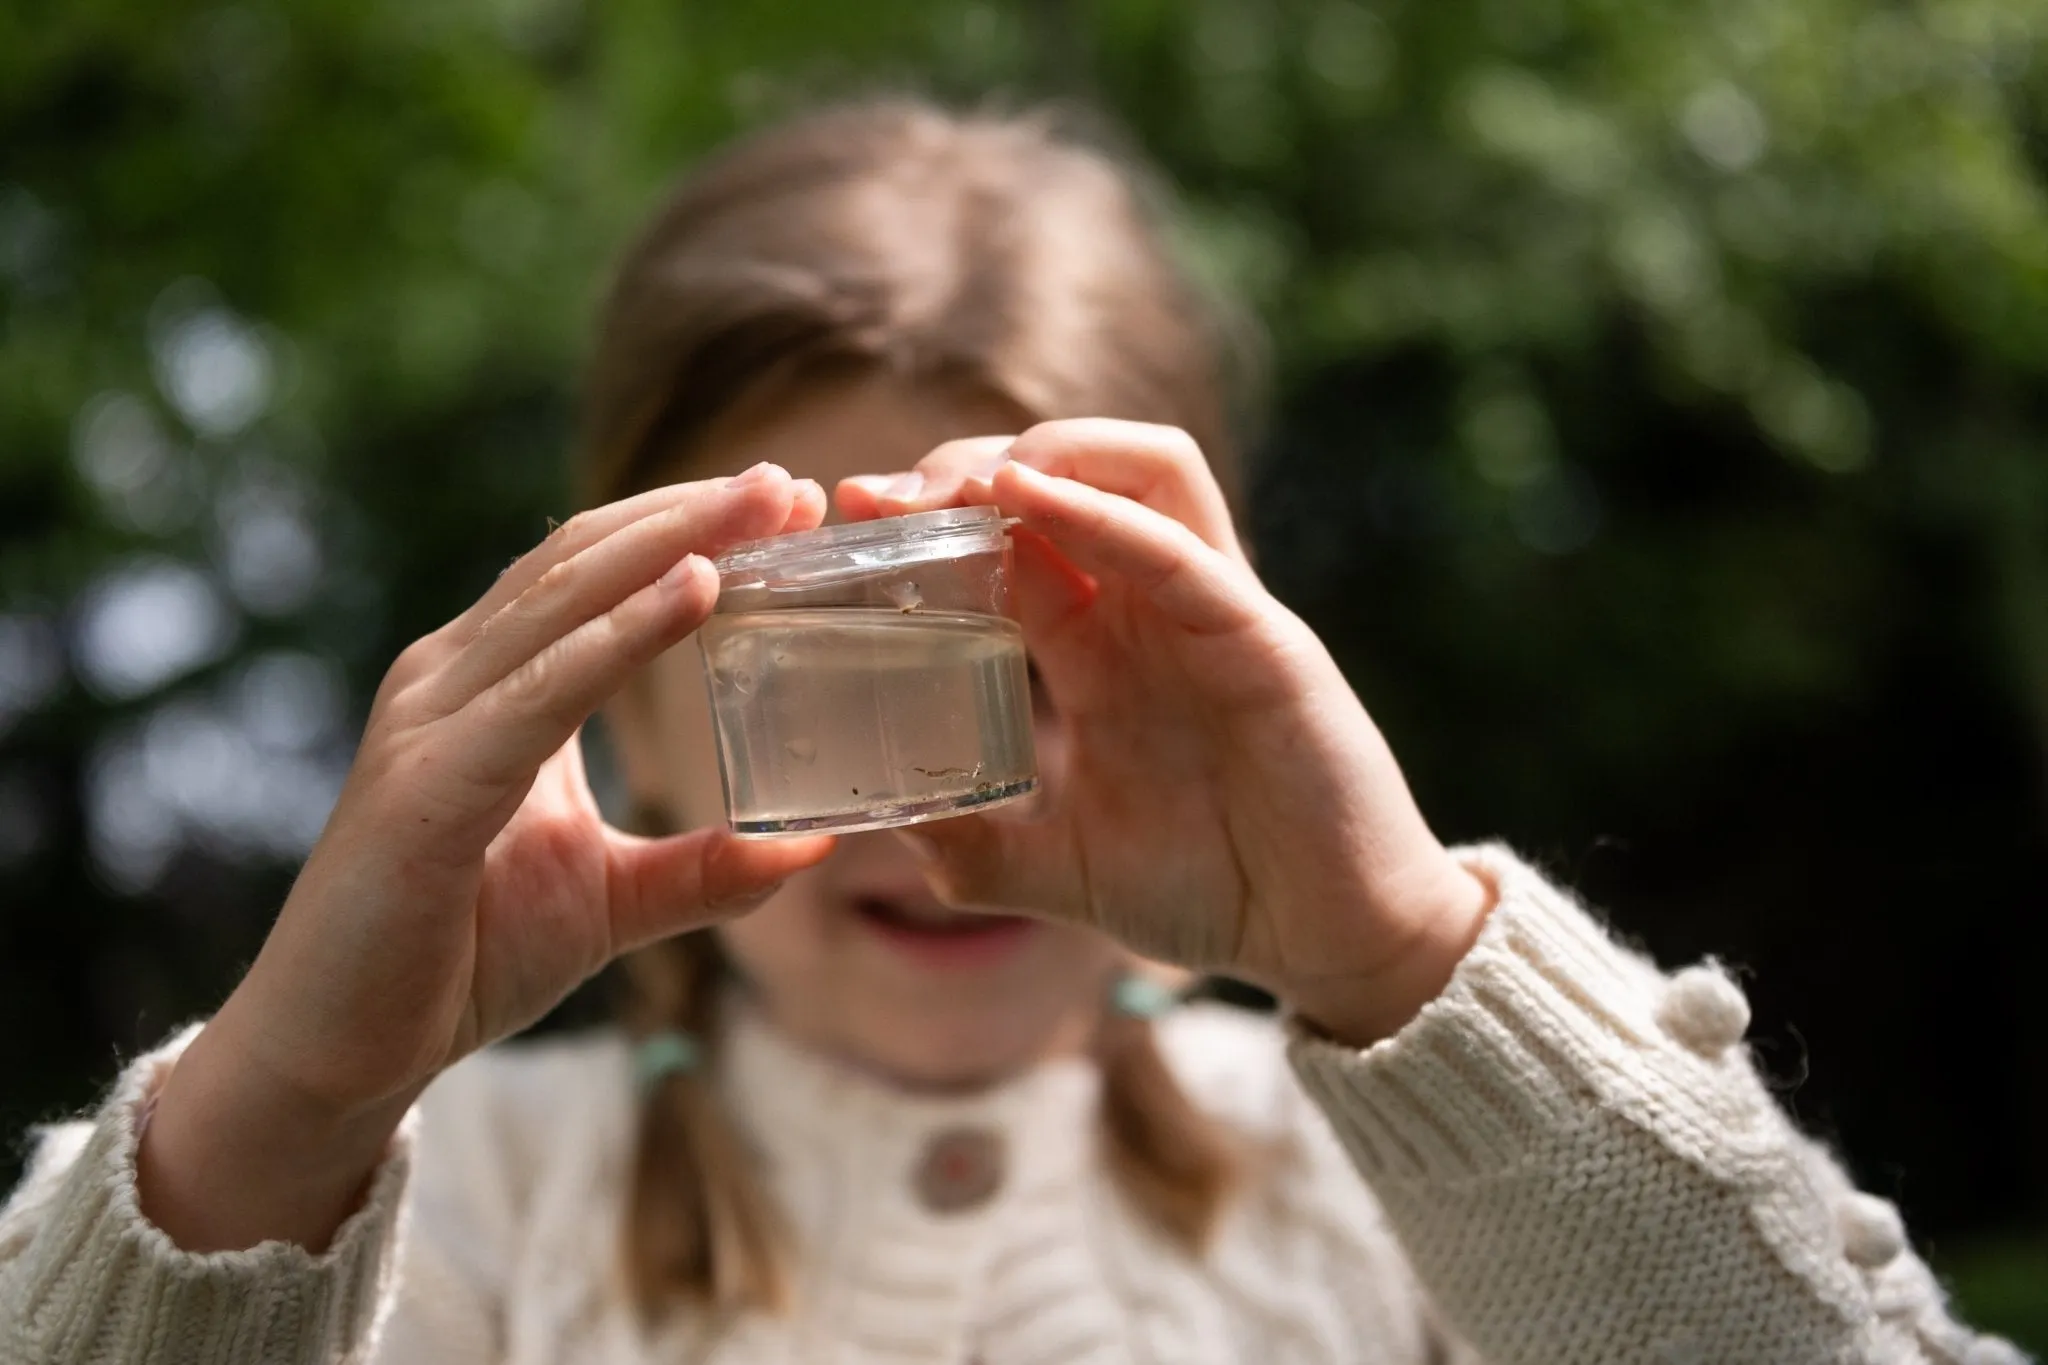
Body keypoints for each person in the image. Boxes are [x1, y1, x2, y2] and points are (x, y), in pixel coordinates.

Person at [0, 98, 2025, 1365]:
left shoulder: (1403, 1213)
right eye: (799, 663)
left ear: (1225, 659)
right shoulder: (445, 1220)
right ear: (609, 672)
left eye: (1010, 664)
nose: (917, 818)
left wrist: (1410, 961)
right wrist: (284, 1101)